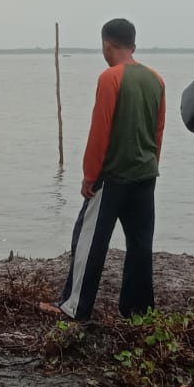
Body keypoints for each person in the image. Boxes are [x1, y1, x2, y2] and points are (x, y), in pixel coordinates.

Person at [41, 18, 165, 321]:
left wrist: (89, 175)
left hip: (112, 177)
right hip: (145, 174)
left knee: (88, 240)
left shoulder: (110, 78)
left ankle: (73, 307)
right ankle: (138, 310)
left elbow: (101, 130)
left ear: (106, 45)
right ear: (133, 45)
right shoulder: (156, 79)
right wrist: (152, 164)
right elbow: (158, 130)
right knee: (140, 244)